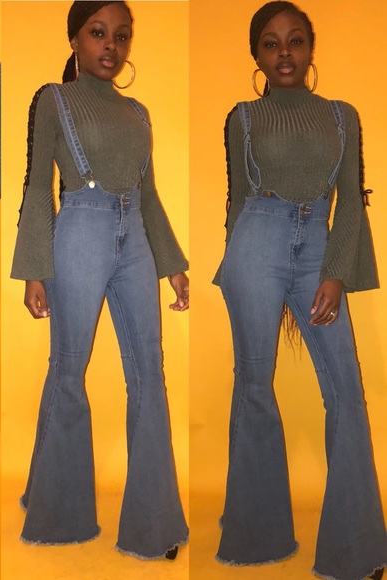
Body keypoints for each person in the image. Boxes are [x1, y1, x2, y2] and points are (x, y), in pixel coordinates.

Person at [213, 2, 387, 579]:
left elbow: (352, 201)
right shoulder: (242, 117)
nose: (284, 52)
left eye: (295, 41)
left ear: (311, 48)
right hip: (255, 247)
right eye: (271, 43)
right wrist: (238, 271)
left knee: (346, 392)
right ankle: (256, 538)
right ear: (257, 55)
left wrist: (335, 272)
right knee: (253, 386)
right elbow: (238, 201)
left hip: (318, 246)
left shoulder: (343, 116)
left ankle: (356, 551)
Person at [11, 0, 188, 561]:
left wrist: (172, 263)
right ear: (74, 40)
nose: (111, 45)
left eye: (121, 35)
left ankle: (153, 525)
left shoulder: (139, 113)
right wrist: (34, 268)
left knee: (149, 373)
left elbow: (150, 194)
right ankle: (58, 515)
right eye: (97, 33)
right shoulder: (53, 99)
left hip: (135, 237)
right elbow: (37, 186)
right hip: (79, 232)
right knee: (68, 369)